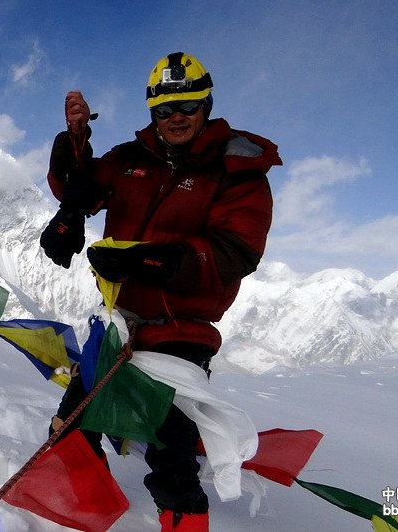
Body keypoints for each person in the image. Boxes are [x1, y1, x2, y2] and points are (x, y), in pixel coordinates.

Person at [40, 52, 281, 531]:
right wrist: (73, 175)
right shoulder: (133, 159)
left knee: (172, 456)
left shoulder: (236, 168)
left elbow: (236, 251)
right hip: (119, 324)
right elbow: (81, 185)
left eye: (188, 107)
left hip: (181, 333)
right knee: (70, 427)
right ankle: (84, 515)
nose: (176, 118)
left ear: (206, 105)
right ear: (152, 111)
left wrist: (147, 259)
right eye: (164, 109)